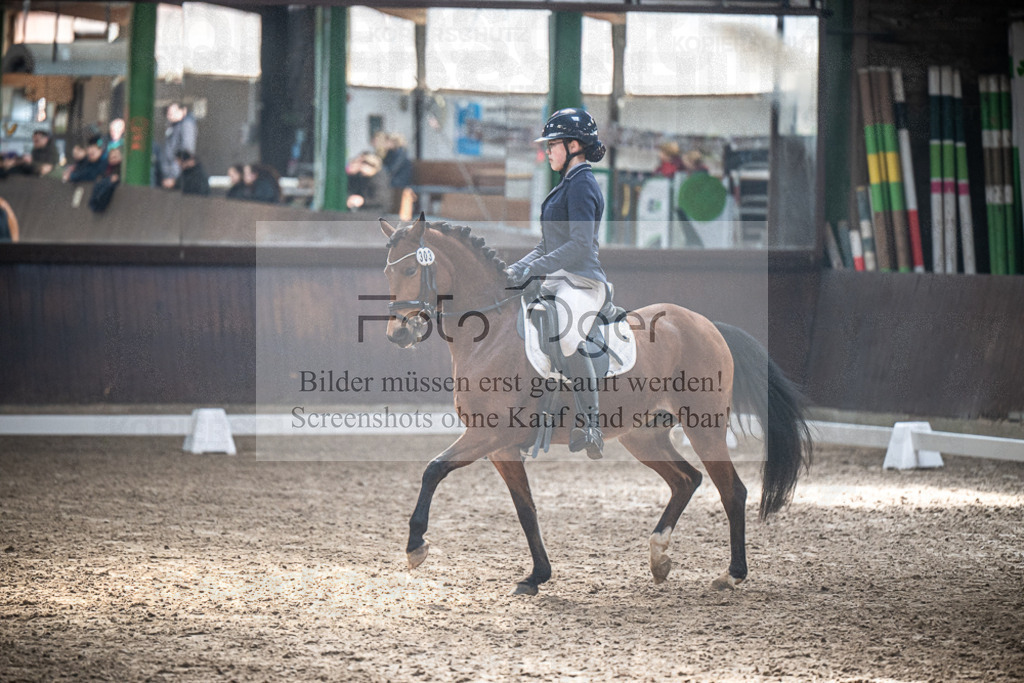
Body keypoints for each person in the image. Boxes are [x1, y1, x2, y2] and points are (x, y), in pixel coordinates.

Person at [504, 107, 609, 460]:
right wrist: (516, 270)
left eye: (553, 144)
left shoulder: (582, 186)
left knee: (566, 335)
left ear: (574, 145)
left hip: (581, 281)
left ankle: (591, 424)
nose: (547, 150)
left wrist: (536, 270)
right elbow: (545, 246)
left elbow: (579, 245)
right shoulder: (565, 185)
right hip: (559, 276)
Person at [374, 132, 414, 219]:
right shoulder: (390, 153)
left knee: (382, 185)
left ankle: (386, 210)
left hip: (400, 180)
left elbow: (392, 169)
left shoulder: (400, 153)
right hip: (394, 179)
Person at [158, 102, 198, 189]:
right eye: (168, 114)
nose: (170, 116)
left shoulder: (187, 125)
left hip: (175, 173)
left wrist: (174, 175)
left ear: (183, 111)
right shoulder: (174, 125)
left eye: (173, 113)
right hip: (170, 171)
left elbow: (186, 149)